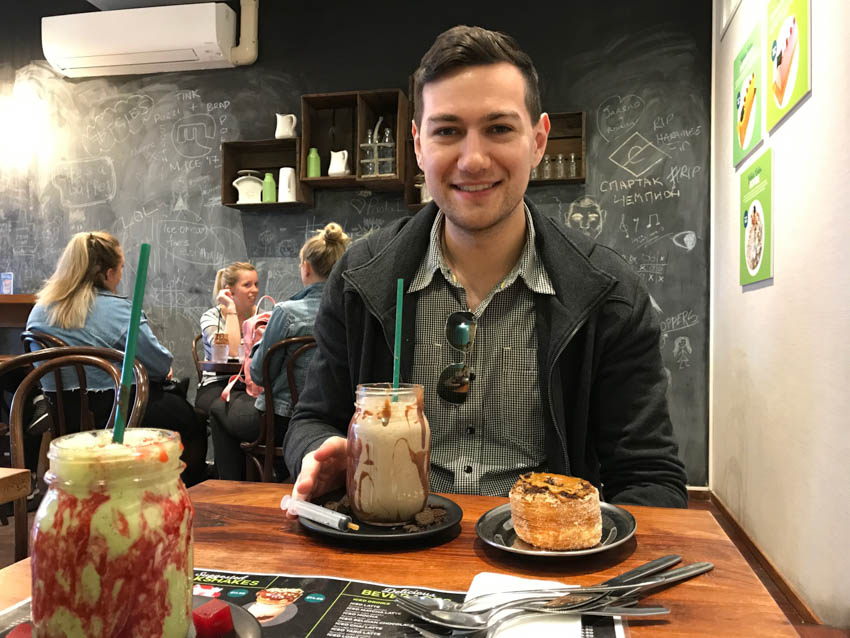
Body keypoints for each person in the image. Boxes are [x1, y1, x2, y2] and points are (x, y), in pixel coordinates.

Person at [283, 25, 688, 509]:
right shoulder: (360, 278)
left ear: (538, 141)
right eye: (447, 131)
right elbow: (312, 419)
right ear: (417, 144)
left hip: (543, 564)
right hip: (390, 544)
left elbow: (650, 476)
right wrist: (316, 452)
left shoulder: (609, 294)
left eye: (499, 129)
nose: (473, 160)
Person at [26, 231, 207, 485]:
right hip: (119, 414)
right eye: (121, 268)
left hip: (63, 417)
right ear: (108, 273)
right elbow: (160, 364)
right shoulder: (119, 310)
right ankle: (181, 488)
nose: (121, 276)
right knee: (191, 418)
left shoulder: (39, 311)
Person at [208, 223, 350, 480]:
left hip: (282, 421)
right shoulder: (352, 312)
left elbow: (260, 375)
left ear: (306, 267)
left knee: (219, 409)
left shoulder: (285, 313)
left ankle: (234, 488)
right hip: (338, 421)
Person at [196, 262, 259, 415]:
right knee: (229, 409)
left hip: (253, 383)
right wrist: (231, 309)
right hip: (217, 383)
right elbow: (230, 352)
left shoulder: (262, 316)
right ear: (229, 291)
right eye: (247, 285)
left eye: (256, 284)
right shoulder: (211, 317)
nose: (255, 290)